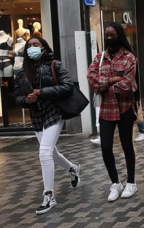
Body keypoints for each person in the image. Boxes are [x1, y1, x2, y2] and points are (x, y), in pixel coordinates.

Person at [14, 37, 80, 215]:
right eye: (29, 46)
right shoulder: (21, 73)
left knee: (44, 153)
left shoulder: (55, 65)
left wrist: (42, 93)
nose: (32, 48)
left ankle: (49, 195)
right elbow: (18, 97)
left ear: (44, 48)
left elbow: (67, 86)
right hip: (36, 116)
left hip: (54, 112)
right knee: (51, 152)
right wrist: (26, 100)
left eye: (36, 45)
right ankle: (72, 168)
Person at [87, 22, 138, 202]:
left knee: (127, 146)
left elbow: (128, 85)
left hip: (125, 109)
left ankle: (131, 182)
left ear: (120, 35)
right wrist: (113, 80)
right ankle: (115, 182)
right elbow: (92, 82)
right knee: (106, 147)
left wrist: (105, 83)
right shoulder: (99, 57)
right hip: (106, 110)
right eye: (106, 35)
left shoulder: (129, 58)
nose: (109, 38)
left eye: (112, 35)